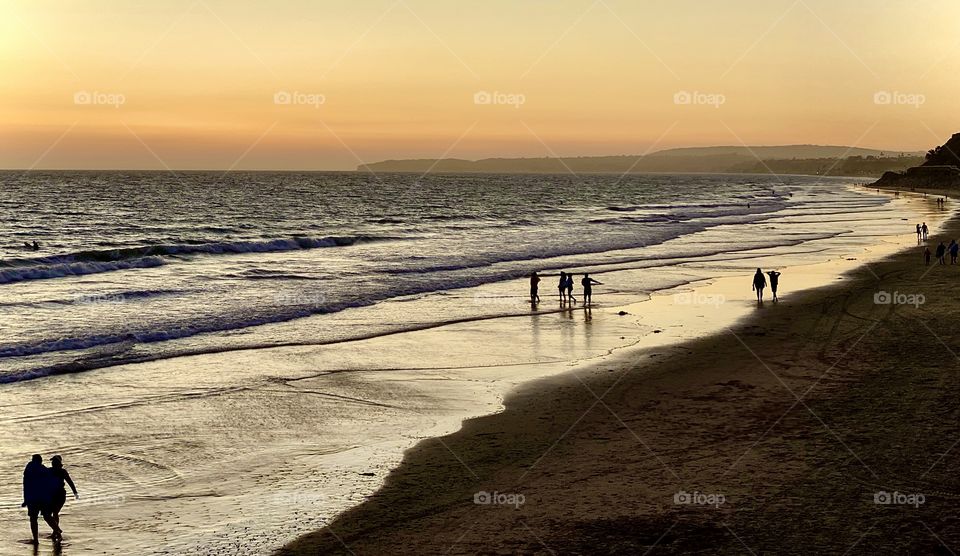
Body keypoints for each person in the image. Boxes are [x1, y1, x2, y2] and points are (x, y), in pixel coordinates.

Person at [22, 455, 59, 545]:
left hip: (33, 498)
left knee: (33, 519)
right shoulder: (44, 470)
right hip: (44, 498)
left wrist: (25, 500)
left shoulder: (29, 470)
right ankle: (57, 530)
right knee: (47, 516)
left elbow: (26, 486)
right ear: (40, 461)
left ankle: (36, 539)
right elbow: (50, 484)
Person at [47, 455, 78, 538]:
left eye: (55, 461)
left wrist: (75, 492)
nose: (53, 463)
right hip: (52, 495)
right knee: (53, 513)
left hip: (59, 495)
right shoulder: (49, 471)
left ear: (58, 463)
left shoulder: (62, 471)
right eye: (53, 461)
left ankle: (56, 531)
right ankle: (56, 530)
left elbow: (69, 482)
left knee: (55, 512)